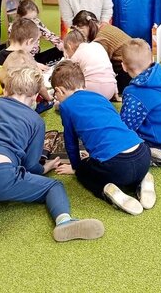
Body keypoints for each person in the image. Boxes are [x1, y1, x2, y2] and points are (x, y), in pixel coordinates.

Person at [0, 65, 104, 242]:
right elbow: (30, 166)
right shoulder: (36, 121)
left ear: (6, 89)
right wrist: (46, 167)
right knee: (54, 186)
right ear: (34, 97)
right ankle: (64, 220)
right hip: (2, 175)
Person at [51, 61, 153, 216]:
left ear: (59, 90)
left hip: (117, 167)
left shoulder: (66, 106)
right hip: (143, 155)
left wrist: (76, 168)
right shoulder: (100, 97)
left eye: (55, 94)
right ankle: (142, 179)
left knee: (84, 172)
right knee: (123, 163)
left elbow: (71, 143)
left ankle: (105, 190)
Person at [121, 39, 161, 167]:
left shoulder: (134, 93)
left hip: (158, 140)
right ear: (152, 59)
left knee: (125, 145)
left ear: (123, 66)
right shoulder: (160, 76)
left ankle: (154, 152)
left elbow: (127, 125)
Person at [71, 10, 132, 94]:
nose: (79, 34)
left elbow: (98, 67)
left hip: (128, 70)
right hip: (133, 65)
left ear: (89, 26)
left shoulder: (101, 39)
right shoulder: (104, 27)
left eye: (80, 29)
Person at [63, 29, 117, 100]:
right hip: (110, 90)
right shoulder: (97, 46)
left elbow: (68, 77)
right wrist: (115, 92)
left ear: (69, 46)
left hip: (91, 91)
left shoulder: (76, 56)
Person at [8, 0, 63, 64]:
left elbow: (50, 35)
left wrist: (62, 46)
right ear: (19, 17)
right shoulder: (13, 28)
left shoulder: (37, 23)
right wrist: (33, 63)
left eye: (34, 18)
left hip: (36, 56)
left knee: (60, 51)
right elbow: (15, 50)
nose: (32, 22)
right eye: (28, 19)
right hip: (23, 59)